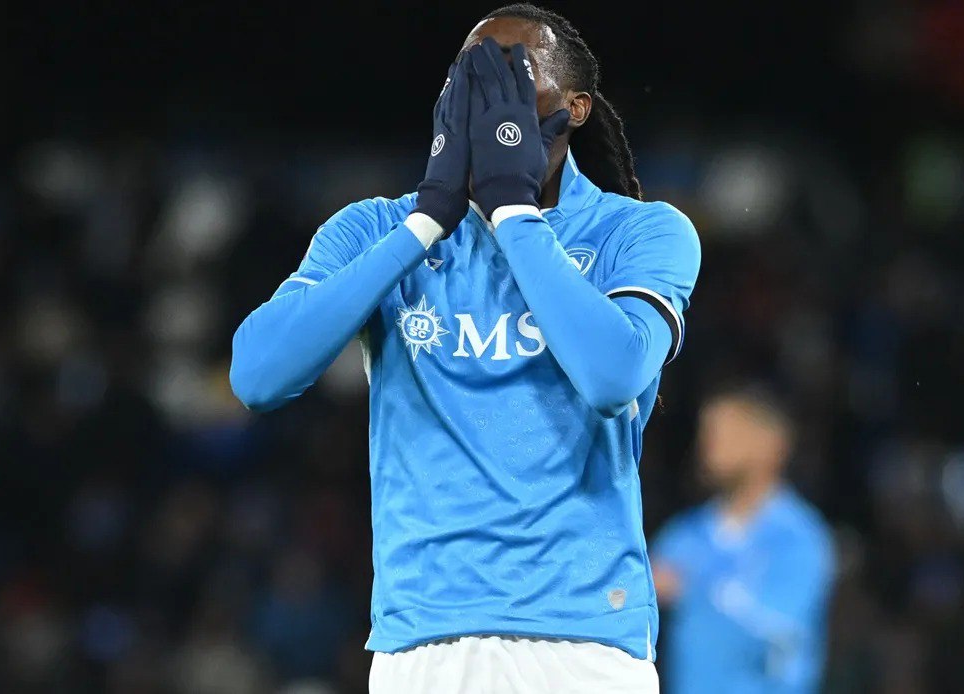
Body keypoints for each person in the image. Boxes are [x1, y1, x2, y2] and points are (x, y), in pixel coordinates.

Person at [228, 4, 701, 692]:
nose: (486, 98)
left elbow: (610, 376)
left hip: (583, 641)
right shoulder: (378, 230)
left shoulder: (638, 232)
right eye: (469, 76)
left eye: (512, 75)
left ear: (573, 108)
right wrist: (424, 222)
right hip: (424, 641)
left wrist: (513, 212)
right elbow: (257, 375)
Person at [652, 385, 835, 694]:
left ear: (772, 445)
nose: (710, 445)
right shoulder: (683, 534)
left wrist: (693, 588)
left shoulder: (799, 538)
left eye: (728, 433)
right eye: (707, 433)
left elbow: (778, 636)